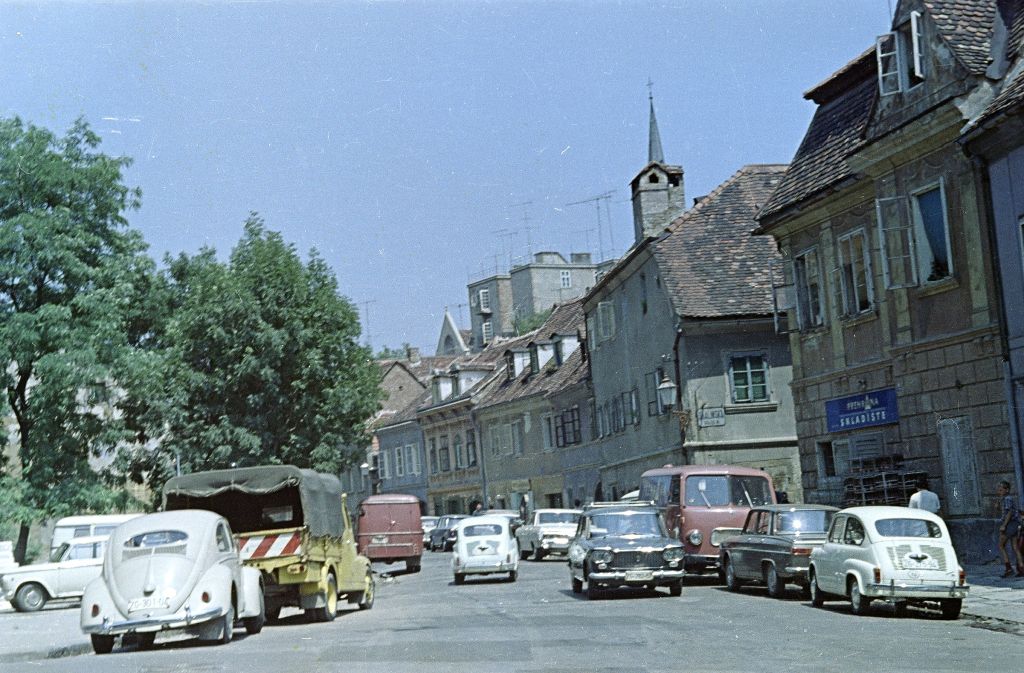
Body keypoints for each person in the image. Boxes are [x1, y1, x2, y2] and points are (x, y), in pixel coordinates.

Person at [995, 480, 1024, 578]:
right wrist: (998, 503)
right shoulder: (1005, 499)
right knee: (1015, 547)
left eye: (1001, 489)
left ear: (1007, 490)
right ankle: (1021, 568)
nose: (999, 490)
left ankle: (1008, 568)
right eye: (999, 489)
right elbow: (1004, 510)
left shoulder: (1007, 499)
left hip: (1010, 524)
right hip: (1014, 524)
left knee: (1001, 545)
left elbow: (1010, 513)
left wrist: (1004, 525)